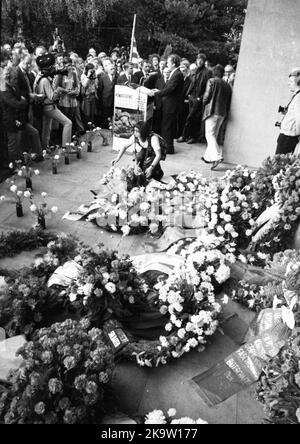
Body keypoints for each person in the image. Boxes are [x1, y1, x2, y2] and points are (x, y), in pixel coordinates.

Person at [34, 53, 72, 149]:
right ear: (47, 68)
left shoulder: (39, 77)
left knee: (46, 129)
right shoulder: (45, 80)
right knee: (68, 123)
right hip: (49, 107)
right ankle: (65, 146)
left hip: (43, 107)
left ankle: (44, 148)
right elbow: (52, 97)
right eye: (52, 67)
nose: (54, 68)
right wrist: (60, 90)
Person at [111, 121, 163, 186]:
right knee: (138, 158)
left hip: (154, 152)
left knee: (148, 165)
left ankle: (157, 172)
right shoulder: (135, 136)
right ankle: (142, 174)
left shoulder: (153, 138)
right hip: (145, 149)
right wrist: (117, 158)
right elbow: (124, 146)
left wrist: (151, 168)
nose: (135, 133)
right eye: (134, 130)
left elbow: (158, 155)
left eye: (137, 131)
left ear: (143, 131)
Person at [151, 54, 184, 155]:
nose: (167, 64)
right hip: (169, 104)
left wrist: (157, 93)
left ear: (173, 63)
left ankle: (168, 148)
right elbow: (168, 88)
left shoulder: (177, 74)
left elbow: (170, 89)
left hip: (171, 105)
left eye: (168, 62)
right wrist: (159, 91)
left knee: (167, 127)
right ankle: (167, 147)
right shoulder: (175, 73)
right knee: (167, 126)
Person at [202, 64, 232, 170]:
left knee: (209, 134)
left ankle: (216, 156)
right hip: (222, 113)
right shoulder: (227, 85)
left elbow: (206, 96)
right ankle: (208, 157)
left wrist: (203, 103)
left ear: (214, 72)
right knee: (214, 134)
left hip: (212, 111)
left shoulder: (211, 81)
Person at [178, 53, 211, 144]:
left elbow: (208, 87)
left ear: (204, 61)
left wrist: (200, 98)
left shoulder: (208, 72)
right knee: (191, 117)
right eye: (198, 60)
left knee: (192, 117)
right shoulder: (196, 70)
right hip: (192, 97)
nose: (199, 62)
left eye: (201, 60)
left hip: (198, 98)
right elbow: (193, 83)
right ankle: (189, 136)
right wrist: (188, 94)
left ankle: (187, 136)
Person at [17, 54, 43, 159]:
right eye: (27, 63)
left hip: (28, 107)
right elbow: (19, 93)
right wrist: (30, 96)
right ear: (21, 60)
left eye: (29, 64)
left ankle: (31, 155)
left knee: (30, 134)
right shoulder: (17, 73)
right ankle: (29, 156)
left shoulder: (25, 73)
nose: (28, 66)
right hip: (20, 111)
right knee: (24, 136)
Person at [1, 65, 28, 164]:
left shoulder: (13, 86)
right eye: (14, 78)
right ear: (8, 78)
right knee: (12, 144)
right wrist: (23, 102)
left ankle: (18, 162)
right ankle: (13, 165)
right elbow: (16, 104)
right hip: (10, 120)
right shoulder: (4, 89)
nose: (16, 80)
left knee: (17, 142)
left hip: (16, 118)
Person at [54, 59, 84, 134]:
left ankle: (70, 135)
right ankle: (62, 135)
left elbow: (77, 85)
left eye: (70, 65)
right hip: (63, 100)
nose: (69, 67)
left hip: (72, 99)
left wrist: (75, 91)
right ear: (64, 65)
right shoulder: (60, 74)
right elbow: (56, 87)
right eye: (67, 65)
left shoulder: (74, 73)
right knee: (65, 119)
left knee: (71, 118)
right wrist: (65, 91)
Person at [276, 68, 300, 155]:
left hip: (288, 137)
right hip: (287, 136)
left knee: (279, 165)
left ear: (298, 82)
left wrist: (298, 137)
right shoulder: (297, 96)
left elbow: (299, 119)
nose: (288, 84)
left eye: (291, 82)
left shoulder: (299, 98)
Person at [97, 60, 118, 128]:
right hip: (105, 102)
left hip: (114, 102)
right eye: (111, 69)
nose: (113, 70)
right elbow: (100, 91)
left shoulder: (117, 78)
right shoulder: (103, 78)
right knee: (104, 118)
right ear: (108, 70)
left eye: (114, 68)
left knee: (113, 117)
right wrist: (101, 101)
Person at [153, 67, 171, 134]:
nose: (166, 74)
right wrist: (155, 104)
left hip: (167, 105)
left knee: (165, 121)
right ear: (163, 73)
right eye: (165, 72)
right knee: (158, 120)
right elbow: (156, 93)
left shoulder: (171, 81)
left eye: (168, 72)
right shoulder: (158, 81)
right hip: (159, 104)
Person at [177, 62, 192, 140]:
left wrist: (187, 99)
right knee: (178, 119)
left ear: (186, 72)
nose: (182, 72)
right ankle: (177, 134)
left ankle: (183, 135)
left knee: (183, 120)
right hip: (178, 102)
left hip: (185, 103)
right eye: (181, 71)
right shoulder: (178, 79)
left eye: (183, 71)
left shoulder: (190, 80)